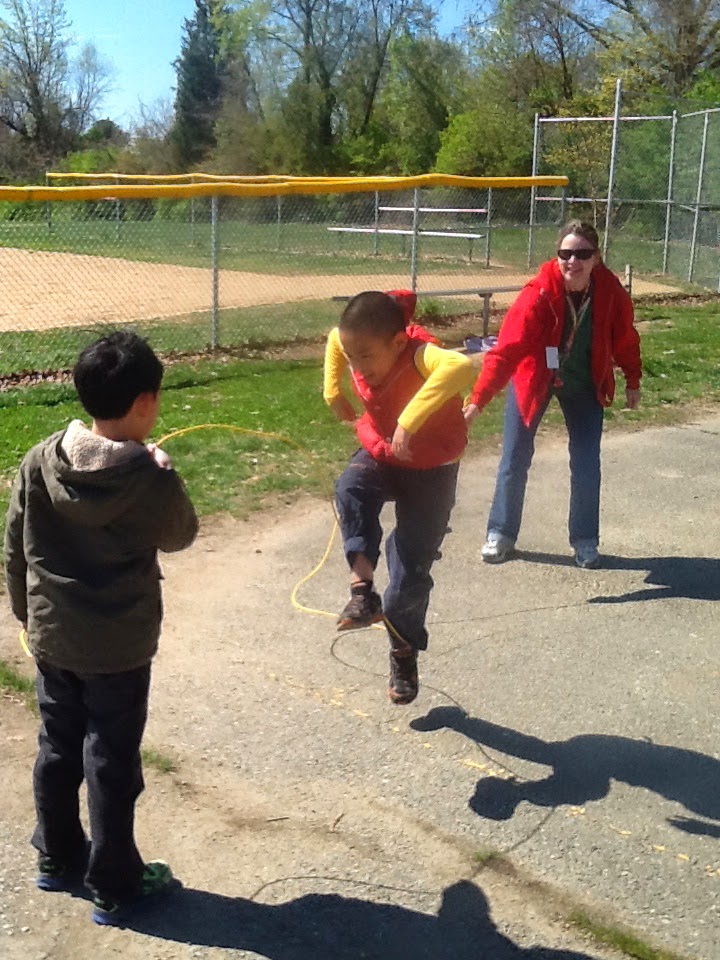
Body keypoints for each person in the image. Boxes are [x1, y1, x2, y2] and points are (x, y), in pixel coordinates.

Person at [4, 331, 198, 926]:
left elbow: (14, 545)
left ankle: (56, 856)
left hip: (54, 638)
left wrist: (25, 612)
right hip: (118, 649)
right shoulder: (150, 478)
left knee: (59, 745)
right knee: (111, 761)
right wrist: (161, 468)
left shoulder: (40, 458)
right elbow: (180, 534)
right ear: (144, 402)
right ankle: (114, 883)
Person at [324, 290, 474, 705]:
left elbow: (461, 366)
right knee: (350, 487)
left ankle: (403, 652)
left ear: (397, 343)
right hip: (385, 451)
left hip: (432, 467)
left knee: (408, 576)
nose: (359, 366)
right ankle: (361, 592)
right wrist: (331, 389)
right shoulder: (354, 343)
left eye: (366, 357)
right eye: (353, 357)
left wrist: (409, 420)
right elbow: (336, 339)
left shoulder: (421, 354)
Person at [464, 221, 641, 569]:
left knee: (587, 464)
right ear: (557, 256)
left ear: (597, 258)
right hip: (535, 379)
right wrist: (476, 402)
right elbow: (506, 351)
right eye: (566, 253)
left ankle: (585, 540)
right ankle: (500, 533)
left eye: (582, 254)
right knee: (514, 458)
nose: (573, 261)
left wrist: (633, 379)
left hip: (585, 383)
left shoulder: (610, 292)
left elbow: (625, 338)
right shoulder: (538, 294)